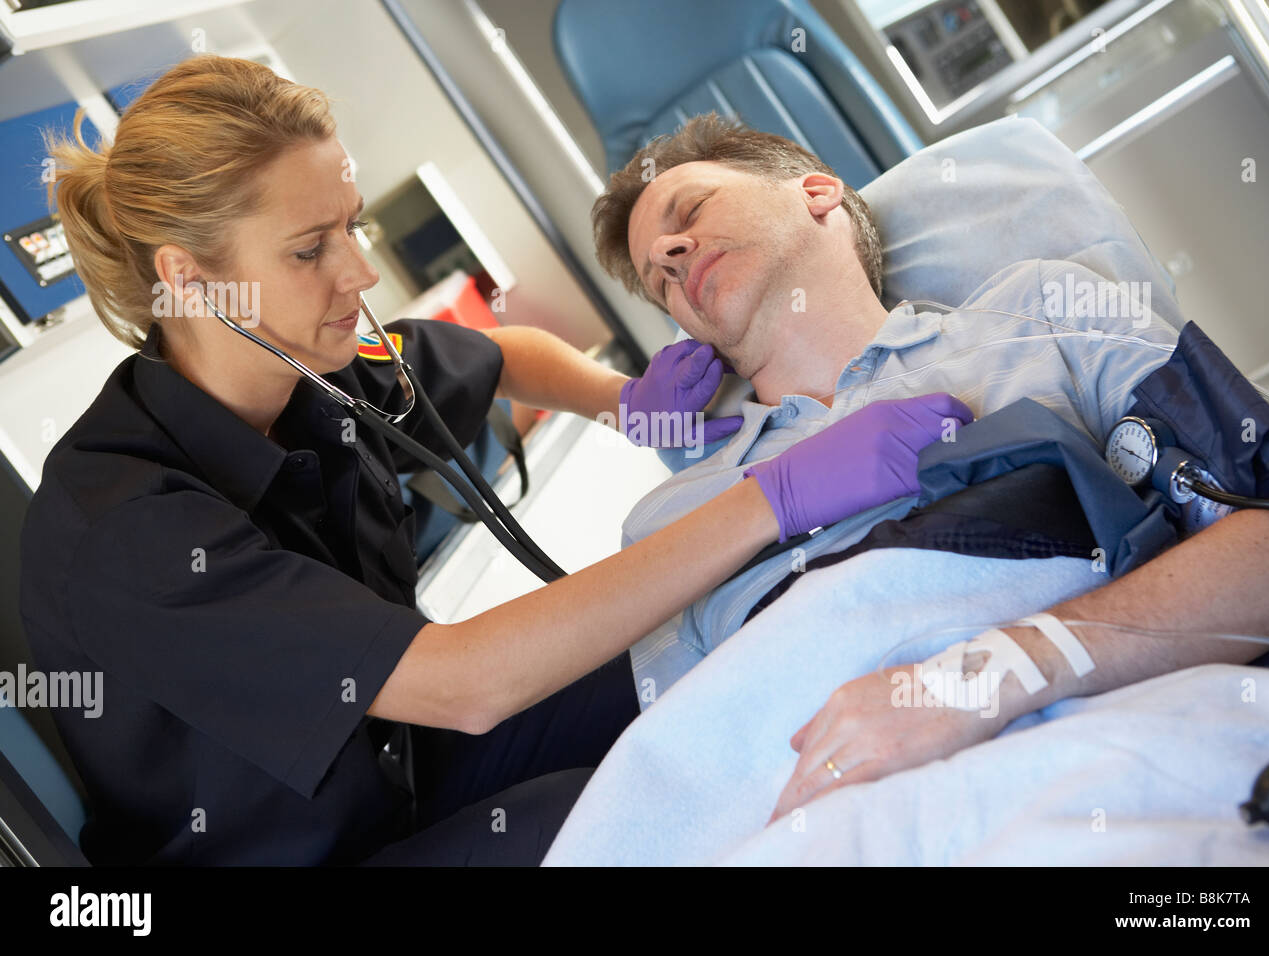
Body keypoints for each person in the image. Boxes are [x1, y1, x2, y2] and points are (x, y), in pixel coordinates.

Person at [17, 57, 971, 866]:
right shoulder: (127, 526)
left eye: (349, 223)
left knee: (698, 656)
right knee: (612, 817)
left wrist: (622, 404)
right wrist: (772, 496)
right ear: (190, 278)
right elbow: (465, 685)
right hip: (315, 851)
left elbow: (504, 355)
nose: (360, 273)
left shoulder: (312, 364)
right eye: (312, 248)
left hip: (405, 765)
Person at [542, 112, 1269, 863]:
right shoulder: (671, 519)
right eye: (657, 280)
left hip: (1093, 765)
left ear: (816, 192)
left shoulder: (1039, 314)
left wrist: (981, 679)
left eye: (691, 212)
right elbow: (692, 782)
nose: (672, 258)